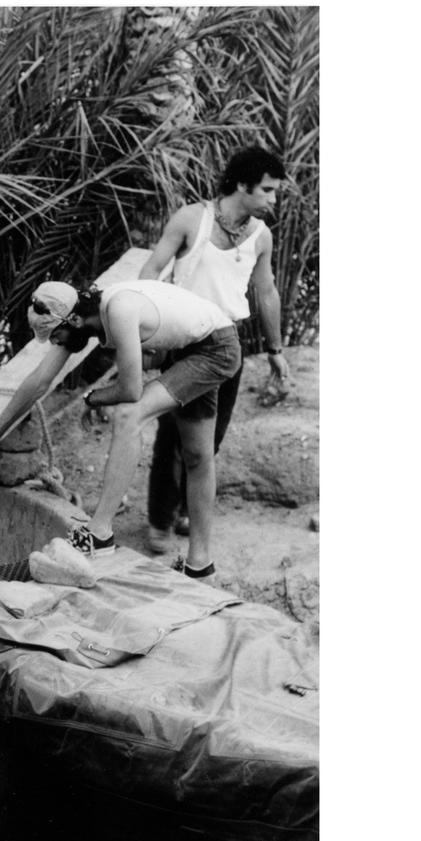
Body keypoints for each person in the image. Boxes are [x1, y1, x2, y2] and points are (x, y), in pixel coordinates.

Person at [0, 279, 241, 580]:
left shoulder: (118, 311)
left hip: (215, 348)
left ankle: (99, 533)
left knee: (129, 416)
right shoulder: (82, 313)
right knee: (196, 455)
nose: (55, 343)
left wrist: (92, 399)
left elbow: (130, 389)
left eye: (56, 336)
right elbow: (40, 380)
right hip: (190, 347)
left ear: (74, 320)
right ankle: (200, 565)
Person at [138, 146, 290, 553]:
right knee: (173, 435)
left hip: (228, 346)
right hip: (184, 341)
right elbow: (152, 270)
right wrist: (145, 334)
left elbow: (267, 290)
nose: (273, 201)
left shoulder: (260, 236)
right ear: (243, 184)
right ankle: (160, 519)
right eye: (269, 191)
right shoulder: (192, 219)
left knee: (212, 438)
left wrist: (275, 349)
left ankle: (190, 510)